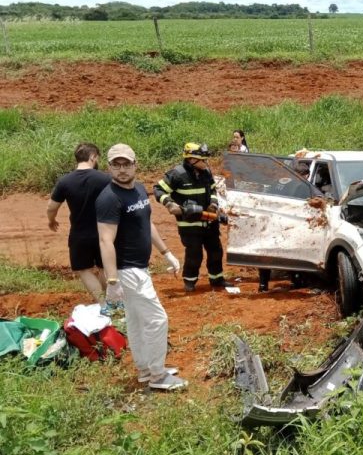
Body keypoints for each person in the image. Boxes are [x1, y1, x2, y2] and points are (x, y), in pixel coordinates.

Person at [96, 143, 186, 391]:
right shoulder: (109, 198)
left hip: (139, 267)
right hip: (127, 270)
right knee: (157, 319)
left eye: (126, 164)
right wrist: (112, 280)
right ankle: (158, 375)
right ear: (109, 167)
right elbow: (105, 240)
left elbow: (147, 223)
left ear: (135, 164)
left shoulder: (138, 189)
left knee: (135, 321)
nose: (122, 169)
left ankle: (146, 370)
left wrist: (166, 252)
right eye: (116, 165)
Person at [153, 142, 232, 292]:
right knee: (194, 254)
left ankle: (217, 280)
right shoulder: (177, 174)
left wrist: (213, 204)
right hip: (189, 224)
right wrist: (169, 203)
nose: (206, 163)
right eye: (202, 160)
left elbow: (213, 190)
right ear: (191, 160)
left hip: (209, 221)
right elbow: (158, 189)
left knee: (216, 251)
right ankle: (189, 282)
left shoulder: (206, 172)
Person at [47, 142, 113, 308]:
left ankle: (103, 305)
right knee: (105, 267)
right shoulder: (105, 179)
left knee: (84, 270)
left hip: (79, 234)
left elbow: (51, 207)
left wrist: (51, 220)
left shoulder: (65, 181)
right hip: (105, 232)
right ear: (93, 157)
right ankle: (111, 303)